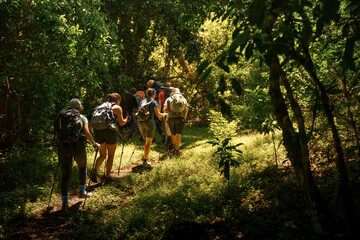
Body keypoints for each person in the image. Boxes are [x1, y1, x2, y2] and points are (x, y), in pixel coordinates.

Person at [56, 98, 100, 211]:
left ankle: (64, 203)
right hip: (78, 146)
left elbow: (57, 133)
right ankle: (82, 191)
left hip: (63, 147)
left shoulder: (60, 116)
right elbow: (86, 132)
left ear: (68, 107)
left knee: (65, 175)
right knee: (82, 167)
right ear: (79, 108)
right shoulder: (82, 117)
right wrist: (94, 144)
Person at [90, 93, 129, 183]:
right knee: (111, 155)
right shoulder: (117, 108)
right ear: (118, 100)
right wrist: (126, 119)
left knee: (102, 155)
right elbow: (121, 122)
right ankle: (107, 177)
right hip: (110, 132)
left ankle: (94, 170)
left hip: (98, 131)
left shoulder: (100, 106)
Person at [138, 88, 167, 165]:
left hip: (140, 122)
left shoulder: (142, 101)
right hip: (149, 122)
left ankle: (145, 155)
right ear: (154, 94)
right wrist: (165, 114)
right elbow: (158, 114)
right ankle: (145, 159)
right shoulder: (154, 102)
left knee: (146, 141)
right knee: (148, 143)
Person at [163, 88, 189, 155]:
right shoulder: (183, 98)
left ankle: (174, 147)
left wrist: (166, 118)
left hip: (171, 118)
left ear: (173, 92)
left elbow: (164, 109)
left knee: (173, 133)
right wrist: (184, 118)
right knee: (178, 134)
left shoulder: (169, 99)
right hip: (180, 118)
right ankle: (177, 149)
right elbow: (186, 109)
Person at [159, 82, 174, 150]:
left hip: (165, 111)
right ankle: (172, 141)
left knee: (166, 125)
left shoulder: (161, 93)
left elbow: (160, 104)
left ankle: (169, 138)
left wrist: (159, 114)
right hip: (173, 111)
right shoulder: (173, 94)